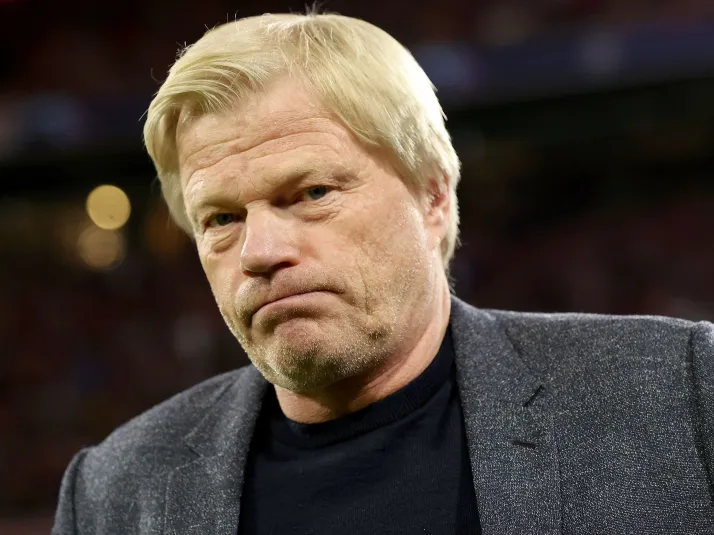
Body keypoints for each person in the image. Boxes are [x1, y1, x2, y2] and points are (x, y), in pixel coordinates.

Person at [52, 12, 714, 535]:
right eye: (221, 218)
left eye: (311, 193)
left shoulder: (680, 392)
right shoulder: (112, 494)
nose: (260, 251)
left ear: (433, 196)